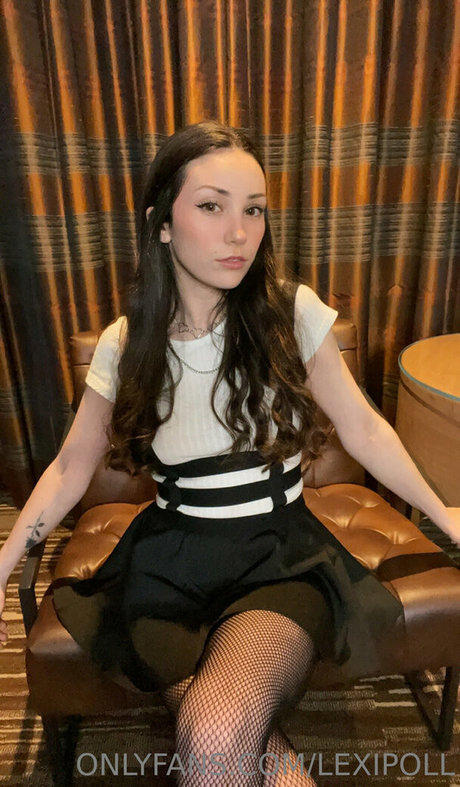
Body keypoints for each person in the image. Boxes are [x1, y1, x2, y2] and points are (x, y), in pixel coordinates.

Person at [0, 120, 459, 787]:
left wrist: (444, 515)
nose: (240, 232)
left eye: (254, 210)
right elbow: (72, 466)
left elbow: (365, 429)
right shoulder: (126, 343)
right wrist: (4, 559)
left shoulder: (291, 313)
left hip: (280, 555)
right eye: (212, 206)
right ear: (162, 223)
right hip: (168, 562)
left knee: (216, 728)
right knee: (233, 741)